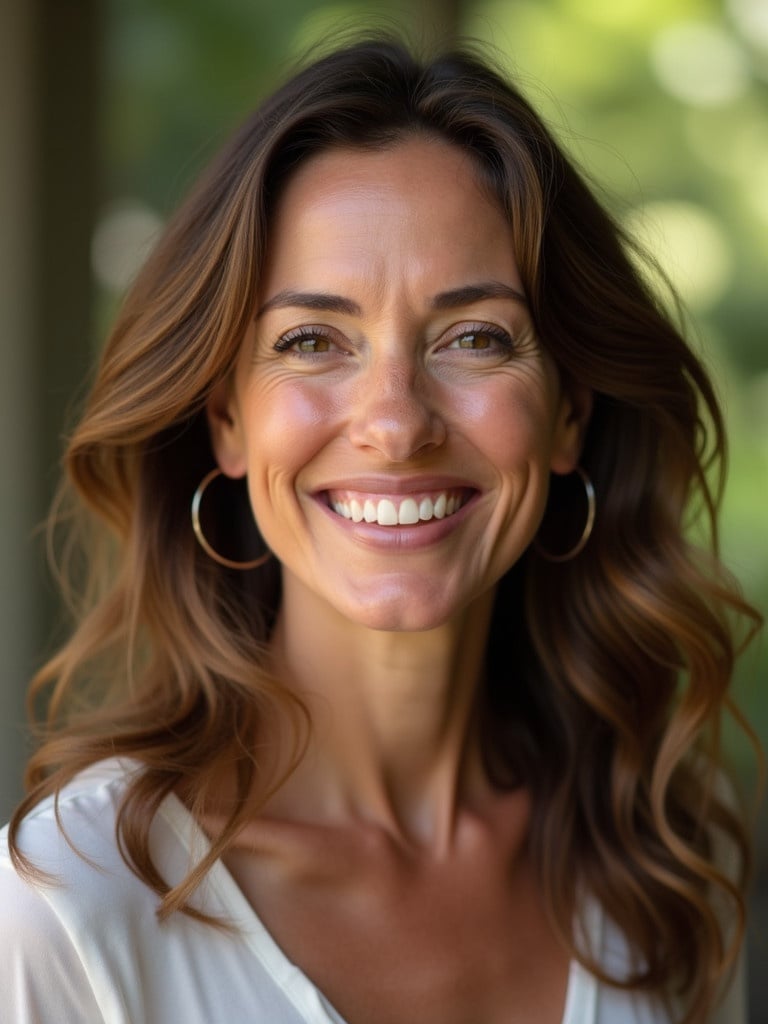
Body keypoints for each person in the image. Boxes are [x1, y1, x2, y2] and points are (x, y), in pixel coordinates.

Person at [0, 35, 760, 1024]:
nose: (397, 423)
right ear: (227, 418)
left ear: (568, 411)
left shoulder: (668, 862)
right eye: (312, 340)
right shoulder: (74, 904)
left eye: (474, 337)